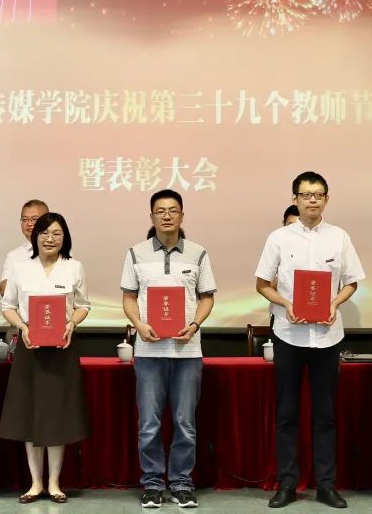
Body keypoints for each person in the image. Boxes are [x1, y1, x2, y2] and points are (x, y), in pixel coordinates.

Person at [255, 171, 364, 510]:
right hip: (288, 335)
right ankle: (287, 483)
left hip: (327, 337)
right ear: (295, 199)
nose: (312, 200)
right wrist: (285, 304)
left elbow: (352, 282)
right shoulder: (279, 238)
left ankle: (326, 486)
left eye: (318, 194)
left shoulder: (339, 237)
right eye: (305, 194)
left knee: (325, 415)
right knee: (287, 413)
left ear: (326, 199)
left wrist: (334, 303)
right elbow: (262, 283)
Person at [121, 190, 216, 508]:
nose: (166, 215)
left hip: (187, 352)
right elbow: (129, 297)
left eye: (173, 210)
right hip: (149, 352)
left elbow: (207, 297)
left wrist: (195, 324)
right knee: (149, 423)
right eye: (160, 211)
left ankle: (181, 483)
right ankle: (151, 483)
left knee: (185, 422)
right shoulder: (135, 253)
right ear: (151, 216)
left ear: (182, 216)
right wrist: (138, 324)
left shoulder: (198, 253)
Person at [0, 212, 91, 504]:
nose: (50, 239)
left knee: (57, 416)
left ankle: (54, 483)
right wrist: (23, 327)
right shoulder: (20, 268)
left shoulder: (74, 267)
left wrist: (71, 323)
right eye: (44, 233)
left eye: (56, 234)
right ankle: (35, 482)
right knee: (31, 415)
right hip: (30, 349)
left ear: (65, 238)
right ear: (35, 237)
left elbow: (83, 305)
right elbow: (8, 306)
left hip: (62, 349)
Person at [0, 199, 49, 297]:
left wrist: (20, 280)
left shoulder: (62, 251)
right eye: (24, 219)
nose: (29, 224)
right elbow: (4, 290)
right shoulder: (14, 256)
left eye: (34, 219)